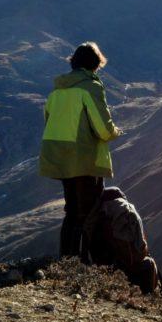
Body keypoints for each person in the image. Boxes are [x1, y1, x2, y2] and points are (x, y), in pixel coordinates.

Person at [39, 41, 122, 258]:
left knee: (72, 212)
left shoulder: (57, 92)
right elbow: (103, 129)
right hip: (85, 159)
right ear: (95, 65)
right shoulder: (91, 87)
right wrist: (116, 132)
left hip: (61, 160)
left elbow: (49, 121)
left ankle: (67, 261)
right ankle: (87, 266)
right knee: (89, 214)